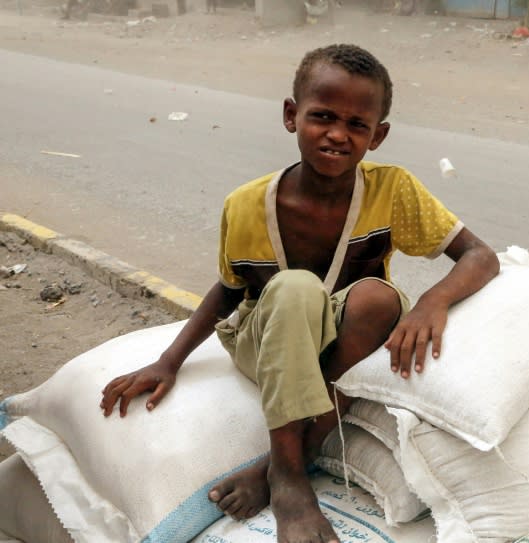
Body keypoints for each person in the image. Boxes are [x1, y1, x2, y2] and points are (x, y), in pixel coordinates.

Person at [100, 43, 499, 543]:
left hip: (338, 342)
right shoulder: (247, 205)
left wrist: (431, 302)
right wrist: (169, 360)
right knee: (293, 288)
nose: (337, 134)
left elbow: (480, 256)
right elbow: (228, 292)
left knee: (381, 299)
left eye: (357, 125)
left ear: (378, 135)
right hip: (265, 339)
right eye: (323, 117)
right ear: (292, 116)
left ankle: (280, 463)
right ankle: (290, 480)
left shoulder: (393, 191)